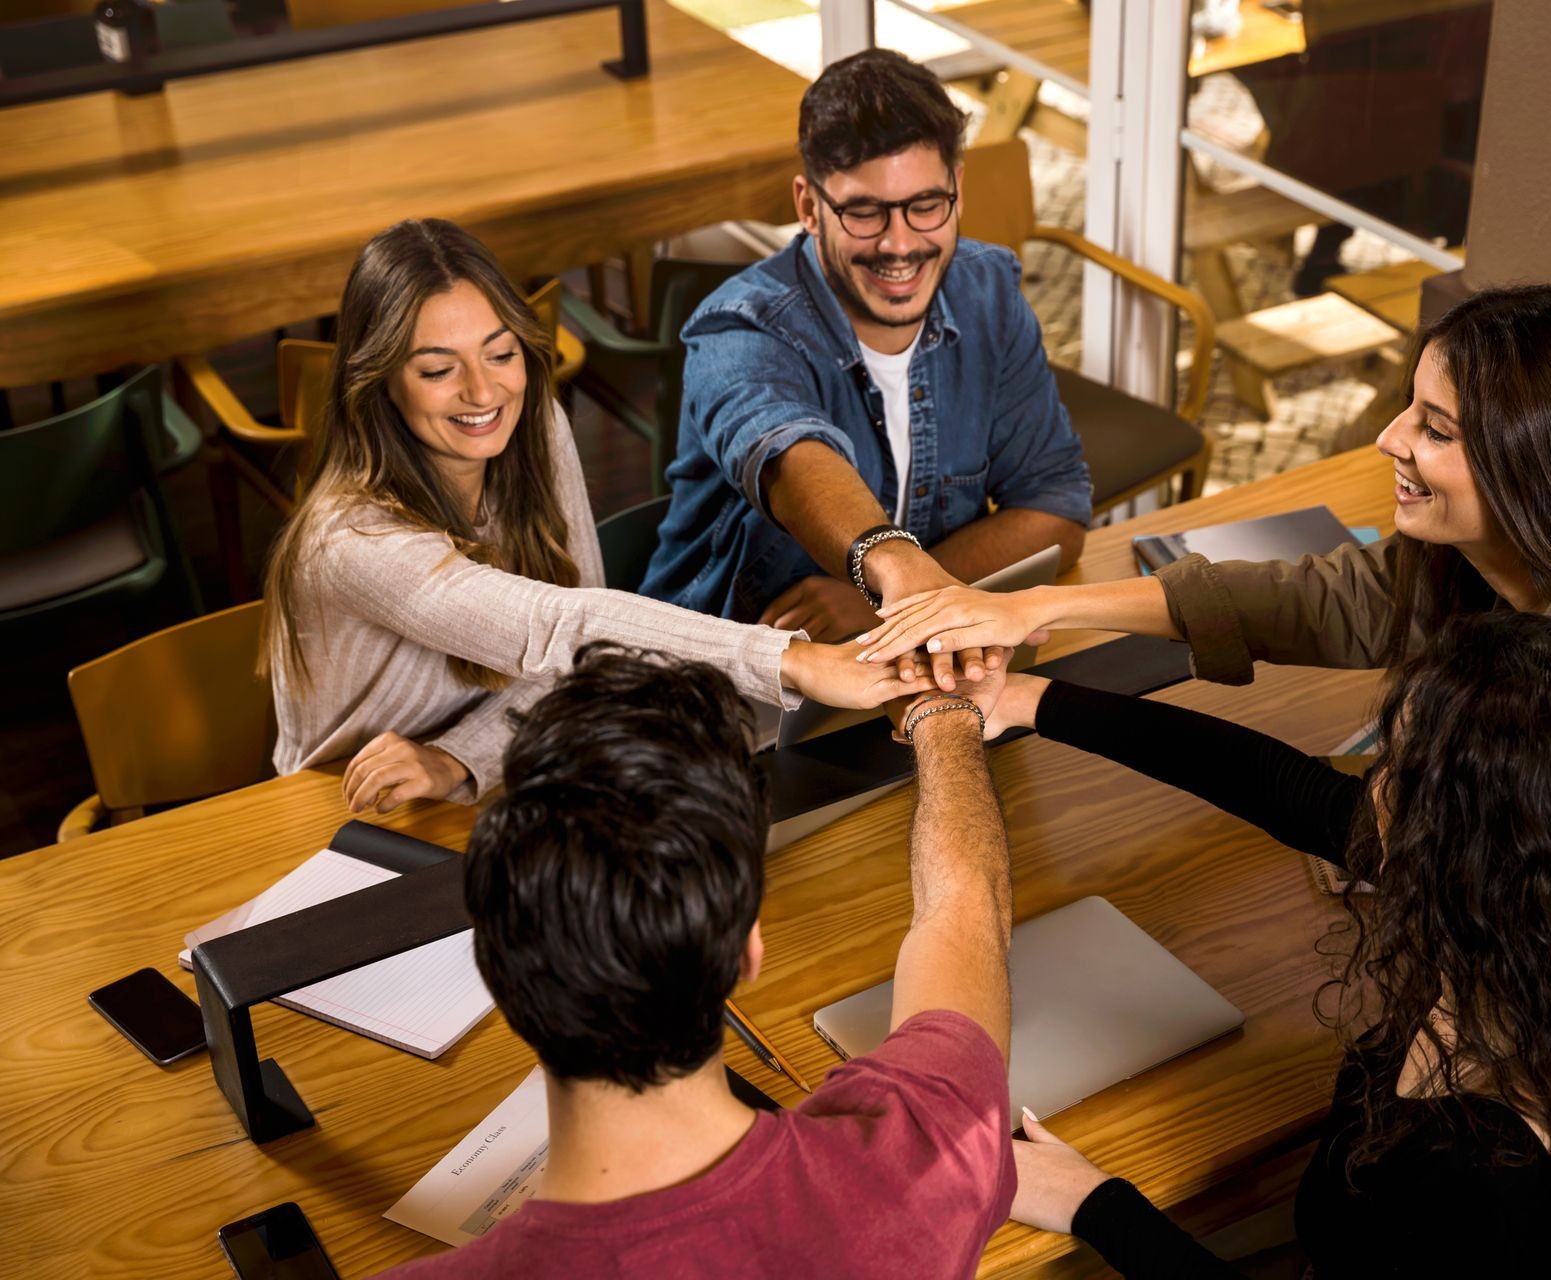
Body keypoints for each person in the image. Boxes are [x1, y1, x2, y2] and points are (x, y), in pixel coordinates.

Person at [859, 281, 1551, 1264]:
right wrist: (1033, 634)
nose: (1388, 436)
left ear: (1533, 465)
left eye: (1436, 427)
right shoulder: (1530, 595)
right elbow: (1342, 613)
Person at [972, 612, 1551, 1277]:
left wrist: (1094, 1205)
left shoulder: (1483, 1173)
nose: (1366, 782)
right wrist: (1029, 699)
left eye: (1392, 767)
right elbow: (1274, 782)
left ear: (1453, 836)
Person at [380, 642, 1015, 1279]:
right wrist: (943, 715)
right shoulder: (934, 1159)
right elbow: (966, 911)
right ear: (746, 950)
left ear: (496, 971)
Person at [261, 218, 931, 814]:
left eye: (500, 353)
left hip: (497, 777)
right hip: (347, 812)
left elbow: (572, 666)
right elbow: (559, 625)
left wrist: (458, 759)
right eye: (438, 369)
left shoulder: (530, 425)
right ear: (378, 382)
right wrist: (795, 663)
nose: (483, 391)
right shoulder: (346, 540)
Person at [638, 48, 1091, 670]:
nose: (900, 244)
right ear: (808, 207)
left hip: (897, 654)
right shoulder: (736, 328)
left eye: (925, 205)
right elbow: (792, 459)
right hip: (717, 674)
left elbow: (1056, 514)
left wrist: (884, 603)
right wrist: (893, 577)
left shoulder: (987, 289)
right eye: (864, 212)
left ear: (957, 189)